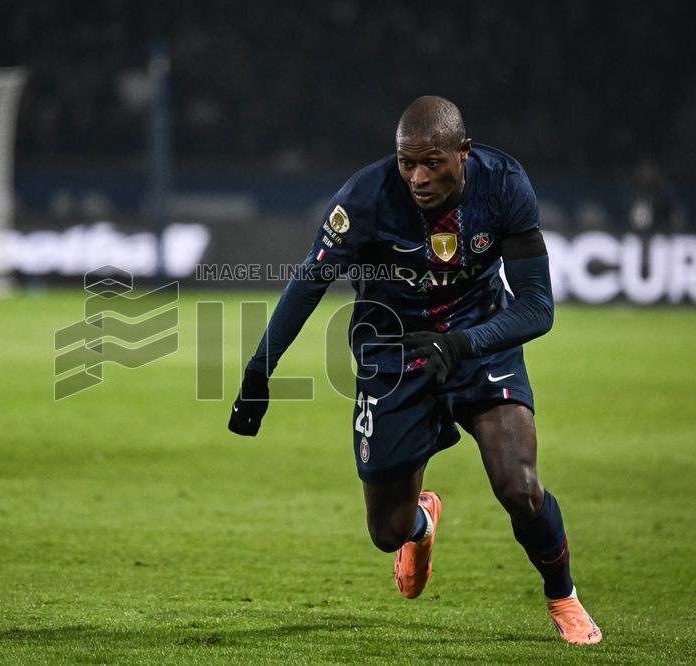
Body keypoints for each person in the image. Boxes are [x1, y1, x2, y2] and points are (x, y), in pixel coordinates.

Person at [228, 96, 602, 646]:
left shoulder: (503, 185)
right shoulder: (364, 199)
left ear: (463, 154)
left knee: (519, 486)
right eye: (408, 163)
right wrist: (259, 373)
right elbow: (309, 283)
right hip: (393, 354)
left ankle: (563, 596)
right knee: (387, 532)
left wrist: (462, 343)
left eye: (432, 163)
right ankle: (421, 525)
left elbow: (537, 306)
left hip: (479, 342)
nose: (418, 178)